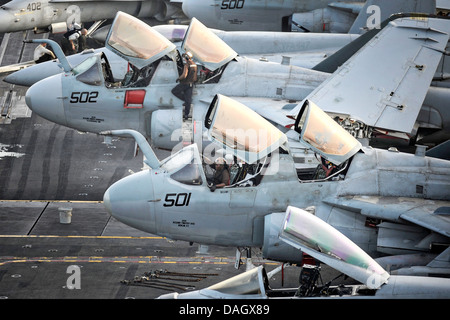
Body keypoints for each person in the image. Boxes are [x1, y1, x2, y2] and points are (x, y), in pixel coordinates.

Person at [171, 52, 197, 120]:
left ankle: (184, 99)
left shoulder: (187, 65)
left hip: (185, 83)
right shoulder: (194, 64)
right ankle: (186, 115)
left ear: (187, 58)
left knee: (174, 91)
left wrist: (179, 79)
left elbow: (184, 75)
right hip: (191, 84)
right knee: (188, 101)